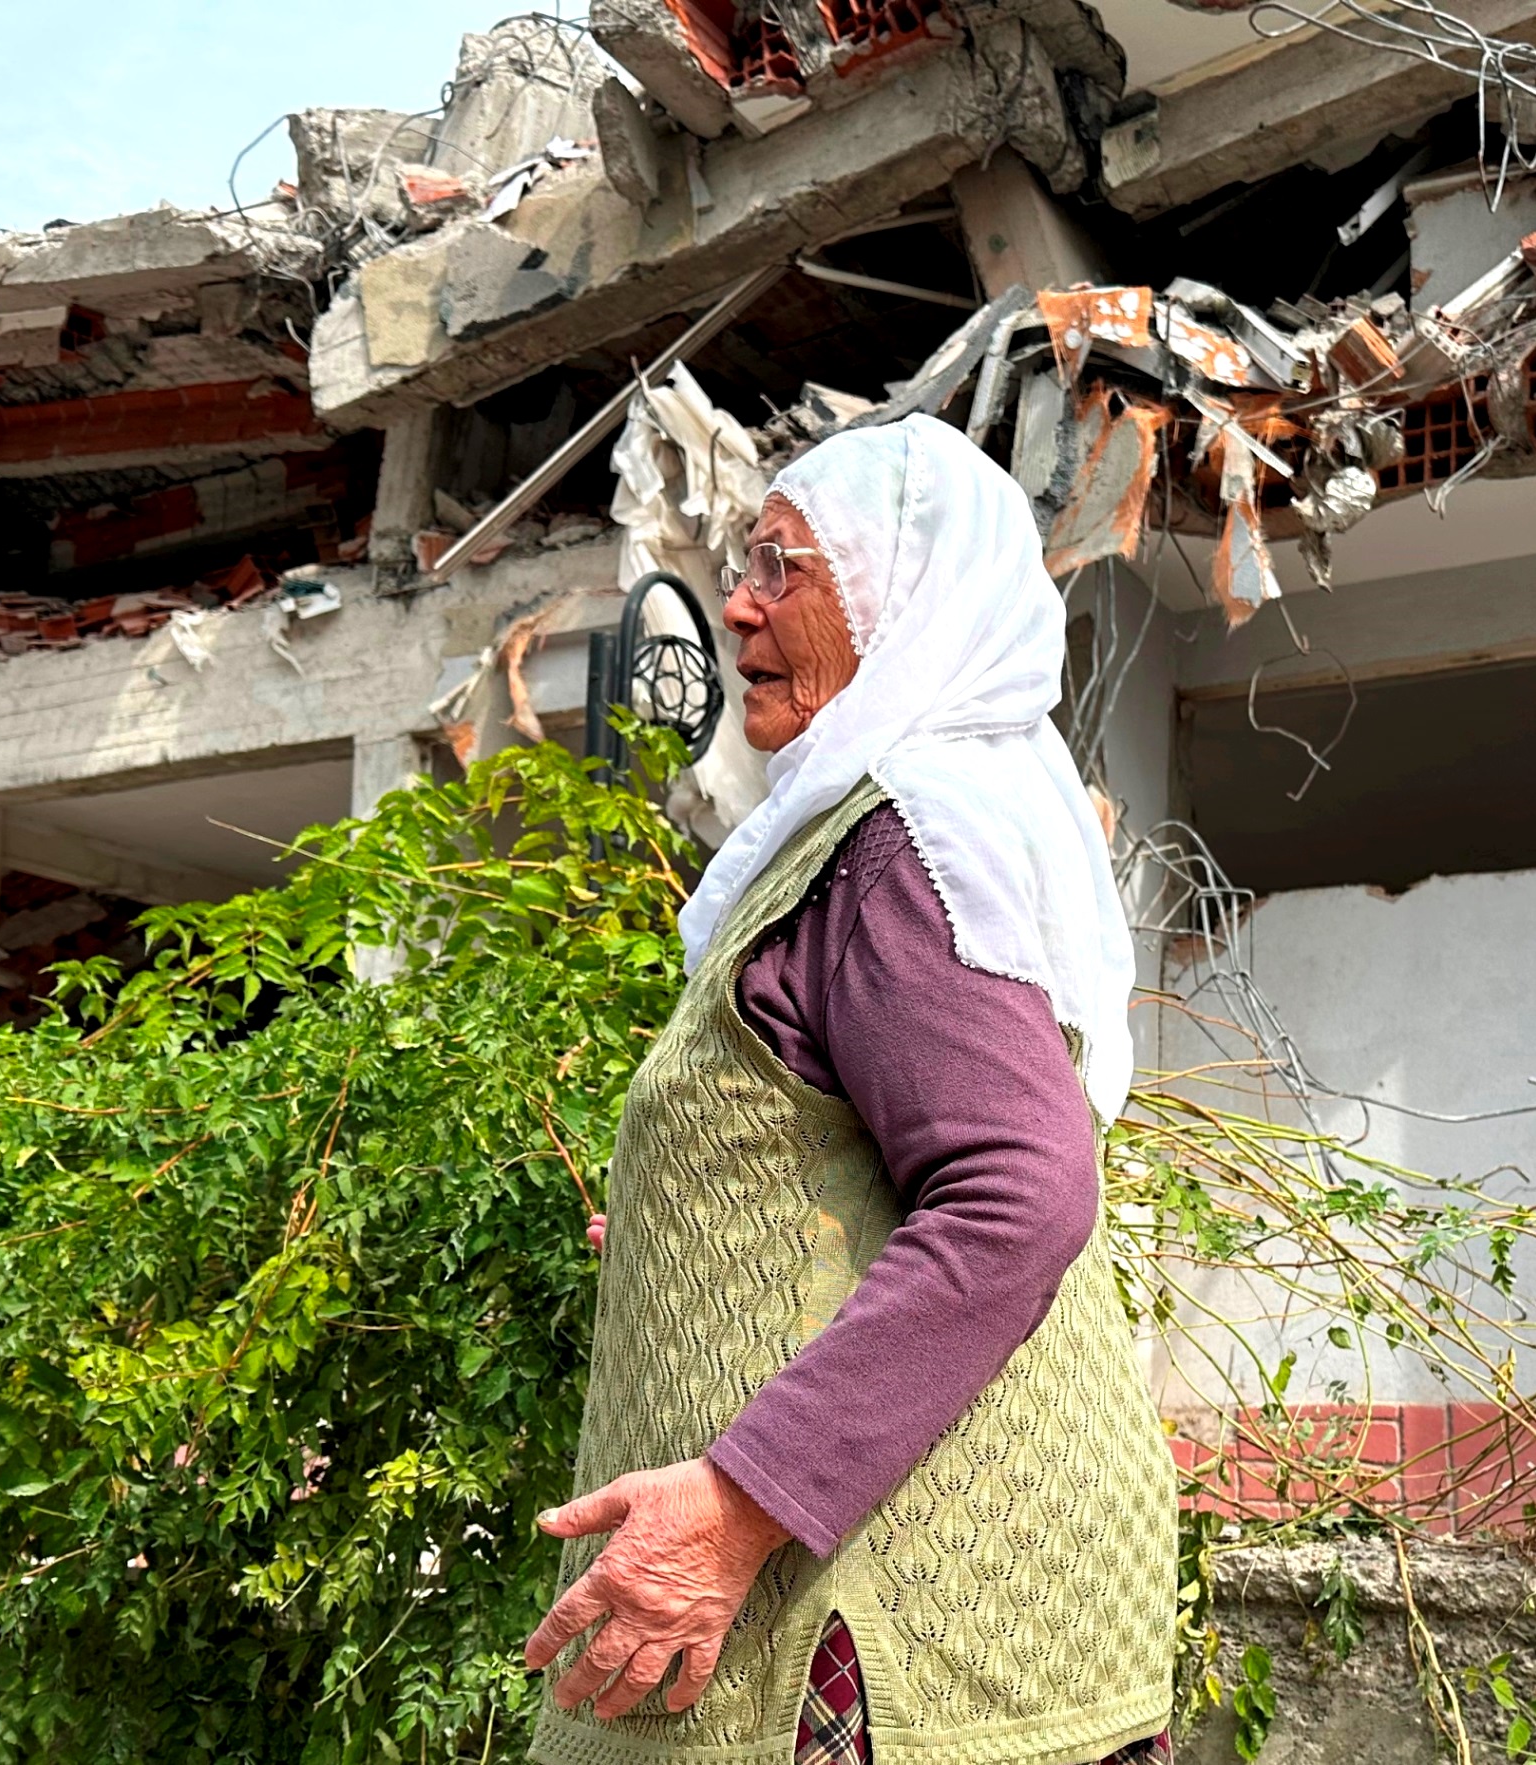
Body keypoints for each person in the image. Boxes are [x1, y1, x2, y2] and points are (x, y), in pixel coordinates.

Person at [522, 414, 1177, 1765]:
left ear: (904, 601)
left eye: (783, 567)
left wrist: (740, 1502)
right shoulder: (846, 838)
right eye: (743, 563)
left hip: (885, 1622)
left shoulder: (896, 842)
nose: (739, 605)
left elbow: (1018, 1192)